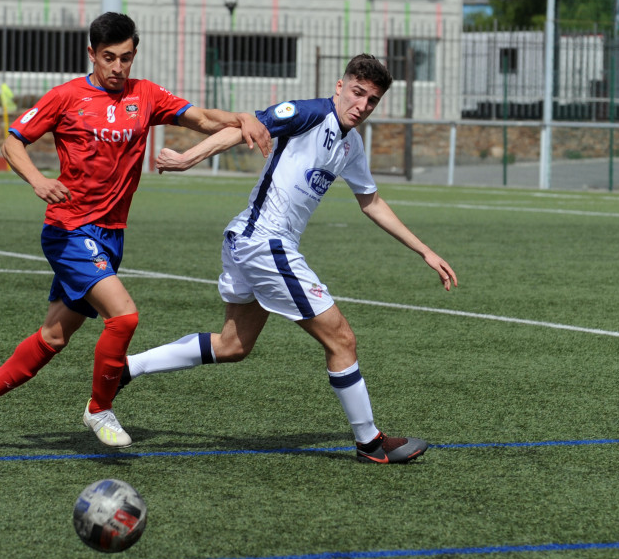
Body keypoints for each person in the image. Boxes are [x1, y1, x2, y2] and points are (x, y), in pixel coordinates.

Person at [117, 53, 458, 463]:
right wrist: (190, 158)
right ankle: (370, 442)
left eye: (372, 101)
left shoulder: (351, 144)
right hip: (265, 242)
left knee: (232, 345)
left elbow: (371, 201)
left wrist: (424, 250)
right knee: (342, 339)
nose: (362, 106)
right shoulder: (309, 113)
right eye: (357, 93)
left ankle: (125, 368)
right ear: (339, 86)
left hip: (249, 241)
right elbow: (248, 125)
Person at [0, 12, 270, 448]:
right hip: (68, 230)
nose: (117, 67)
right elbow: (12, 142)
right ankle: (99, 409)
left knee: (54, 336)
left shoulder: (144, 95)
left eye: (126, 58)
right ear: (92, 54)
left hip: (109, 235)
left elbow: (200, 117)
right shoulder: (66, 96)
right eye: (108, 58)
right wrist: (39, 180)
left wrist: (241, 117)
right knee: (124, 316)